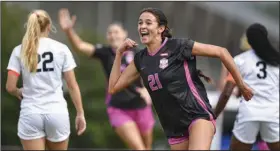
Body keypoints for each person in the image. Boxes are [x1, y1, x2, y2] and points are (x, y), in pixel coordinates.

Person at [108, 7, 253, 150]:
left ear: (161, 28)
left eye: (148, 22)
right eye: (140, 23)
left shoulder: (178, 46)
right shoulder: (140, 59)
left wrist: (241, 85)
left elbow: (222, 52)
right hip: (173, 127)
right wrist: (119, 53)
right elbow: (113, 88)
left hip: (197, 115)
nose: (142, 26)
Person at [58, 8, 155, 150]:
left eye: (116, 32)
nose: (113, 35)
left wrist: (147, 90)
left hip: (141, 106)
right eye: (110, 33)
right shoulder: (105, 53)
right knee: (139, 149)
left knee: (147, 148)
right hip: (118, 108)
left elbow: (153, 73)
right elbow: (80, 46)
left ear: (124, 34)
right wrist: (68, 31)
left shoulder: (138, 53)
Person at [5, 10, 86, 150]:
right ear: (49, 26)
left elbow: (10, 87)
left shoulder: (19, 50)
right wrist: (80, 113)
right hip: (56, 111)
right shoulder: (61, 49)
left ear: (29, 25)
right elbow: (72, 85)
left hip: (31, 113)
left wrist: (18, 92)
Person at [215, 23, 279, 150]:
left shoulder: (240, 60)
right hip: (272, 114)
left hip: (249, 114)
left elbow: (227, 92)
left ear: (249, 41)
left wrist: (214, 114)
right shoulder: (276, 60)